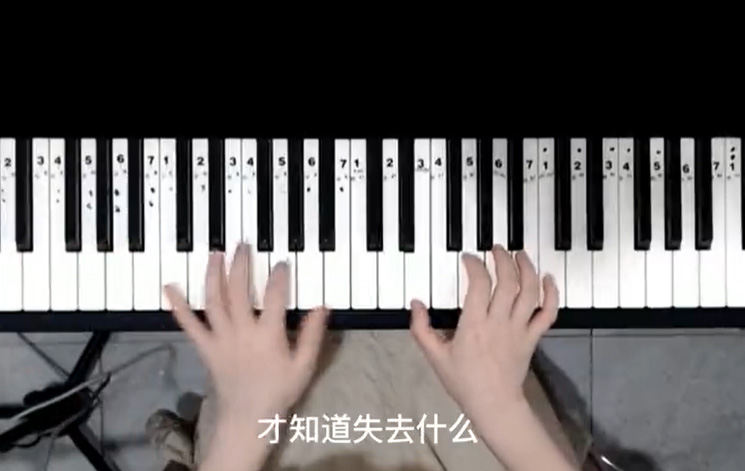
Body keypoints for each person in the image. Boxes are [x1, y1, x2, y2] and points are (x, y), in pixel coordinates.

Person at [160, 243, 584, 471]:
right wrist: (501, 408)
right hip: (465, 434)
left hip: (267, 439)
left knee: (258, 311)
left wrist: (243, 423)